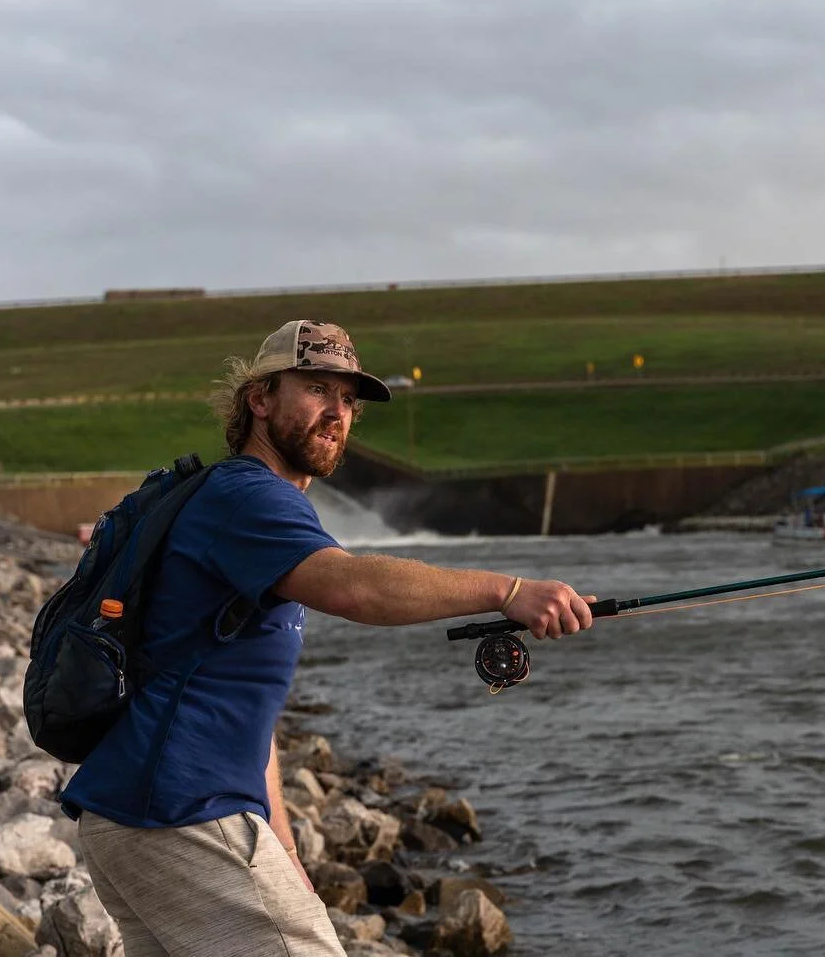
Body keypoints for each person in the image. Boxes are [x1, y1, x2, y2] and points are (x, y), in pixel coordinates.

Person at [60, 320, 595, 956]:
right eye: (316, 389)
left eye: (348, 400)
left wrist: (282, 850)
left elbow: (239, 707)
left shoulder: (234, 501)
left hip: (130, 815)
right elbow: (353, 588)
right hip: (182, 813)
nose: (337, 412)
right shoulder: (248, 497)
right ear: (259, 399)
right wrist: (507, 592)